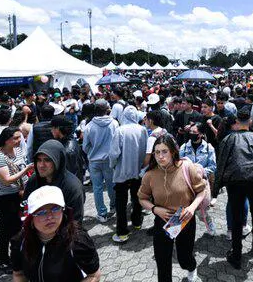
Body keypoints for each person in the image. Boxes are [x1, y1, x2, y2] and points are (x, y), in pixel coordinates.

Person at [138, 134, 206, 282]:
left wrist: (192, 208)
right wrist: (155, 209)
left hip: (184, 218)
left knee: (184, 258)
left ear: (173, 152)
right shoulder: (149, 175)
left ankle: (191, 267)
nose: (160, 156)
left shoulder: (187, 167)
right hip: (163, 220)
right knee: (162, 261)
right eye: (157, 152)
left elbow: (202, 190)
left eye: (164, 151)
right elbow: (142, 198)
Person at [213, 108, 253, 270]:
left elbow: (221, 165)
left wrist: (216, 189)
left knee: (237, 219)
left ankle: (236, 256)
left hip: (236, 182)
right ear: (250, 122)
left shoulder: (228, 139)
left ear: (237, 121)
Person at [11, 186, 100, 282]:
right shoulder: (20, 241)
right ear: (31, 218)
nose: (49, 216)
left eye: (55, 209)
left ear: (63, 210)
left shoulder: (77, 239)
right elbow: (18, 274)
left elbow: (94, 275)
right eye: (41, 212)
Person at [0, 127, 34, 274]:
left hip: (20, 194)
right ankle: (5, 260)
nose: (19, 141)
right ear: (6, 139)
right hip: (5, 198)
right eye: (15, 138)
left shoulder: (18, 150)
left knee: (21, 225)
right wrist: (26, 170)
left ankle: (19, 254)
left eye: (19, 138)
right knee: (7, 230)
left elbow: (20, 164)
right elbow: (7, 180)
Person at [109, 105, 148, 242]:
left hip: (122, 172)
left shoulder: (120, 131)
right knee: (137, 197)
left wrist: (112, 166)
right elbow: (145, 150)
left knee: (121, 202)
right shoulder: (143, 130)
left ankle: (122, 232)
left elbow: (114, 153)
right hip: (138, 171)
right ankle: (137, 223)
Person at [23, 140, 85, 224]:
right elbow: (25, 209)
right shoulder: (34, 181)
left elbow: (75, 221)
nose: (41, 165)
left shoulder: (72, 186)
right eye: (38, 160)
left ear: (58, 161)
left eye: (47, 160)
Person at [82, 99, 118, 222]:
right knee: (111, 185)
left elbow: (85, 146)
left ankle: (102, 213)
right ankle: (114, 207)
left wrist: (92, 153)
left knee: (97, 188)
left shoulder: (89, 126)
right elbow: (117, 143)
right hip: (109, 160)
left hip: (94, 161)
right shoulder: (114, 123)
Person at [179, 123, 217, 234]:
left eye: (194, 133)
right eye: (190, 132)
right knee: (182, 210)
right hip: (185, 185)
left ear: (201, 134)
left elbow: (213, 166)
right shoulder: (184, 147)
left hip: (201, 184)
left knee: (202, 212)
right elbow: (179, 163)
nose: (191, 134)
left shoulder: (209, 148)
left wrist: (199, 172)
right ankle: (177, 231)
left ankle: (208, 223)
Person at [51, 116, 84, 182]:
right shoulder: (72, 142)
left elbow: (71, 174)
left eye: (52, 128)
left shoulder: (67, 150)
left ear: (57, 129)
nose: (51, 131)